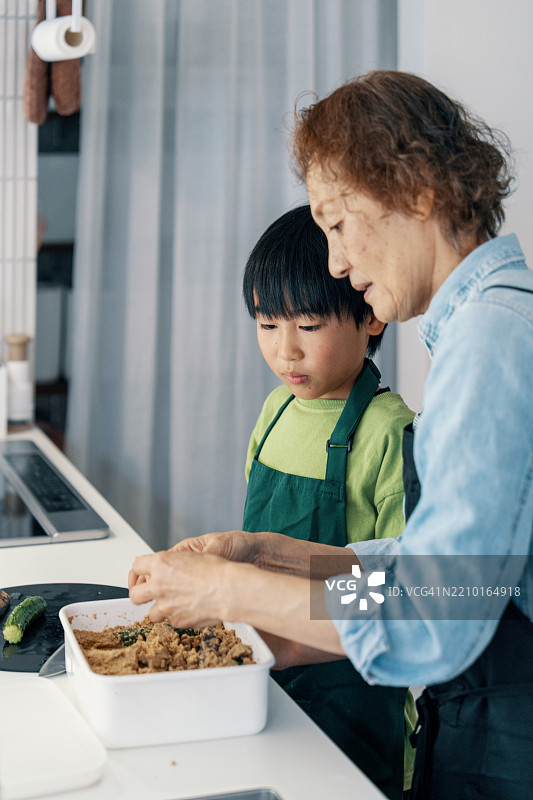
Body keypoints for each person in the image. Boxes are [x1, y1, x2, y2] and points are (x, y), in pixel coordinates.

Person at [129, 70, 533, 799]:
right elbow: (447, 574)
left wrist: (229, 590)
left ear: (418, 194)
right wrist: (272, 556)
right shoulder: (490, 326)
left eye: (337, 223)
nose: (337, 263)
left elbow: (439, 611)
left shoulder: (487, 344)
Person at [241, 203, 415, 798]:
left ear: (371, 317)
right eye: (268, 324)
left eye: (308, 326)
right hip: (267, 677)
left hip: (354, 694)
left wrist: (291, 639)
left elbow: (403, 588)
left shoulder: (389, 429)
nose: (285, 350)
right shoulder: (275, 411)